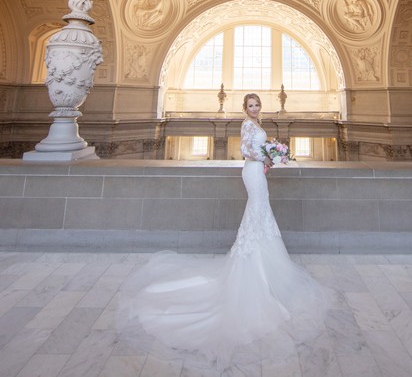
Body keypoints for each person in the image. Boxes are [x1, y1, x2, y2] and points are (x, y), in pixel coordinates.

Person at [116, 93, 328, 369]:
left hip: (258, 171)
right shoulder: (247, 125)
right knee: (257, 213)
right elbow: (246, 151)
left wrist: (270, 157)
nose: (254, 108)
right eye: (250, 105)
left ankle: (261, 261)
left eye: (257, 105)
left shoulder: (258, 124)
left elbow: (258, 151)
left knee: (260, 215)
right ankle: (254, 264)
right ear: (245, 108)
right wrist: (269, 154)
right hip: (251, 171)